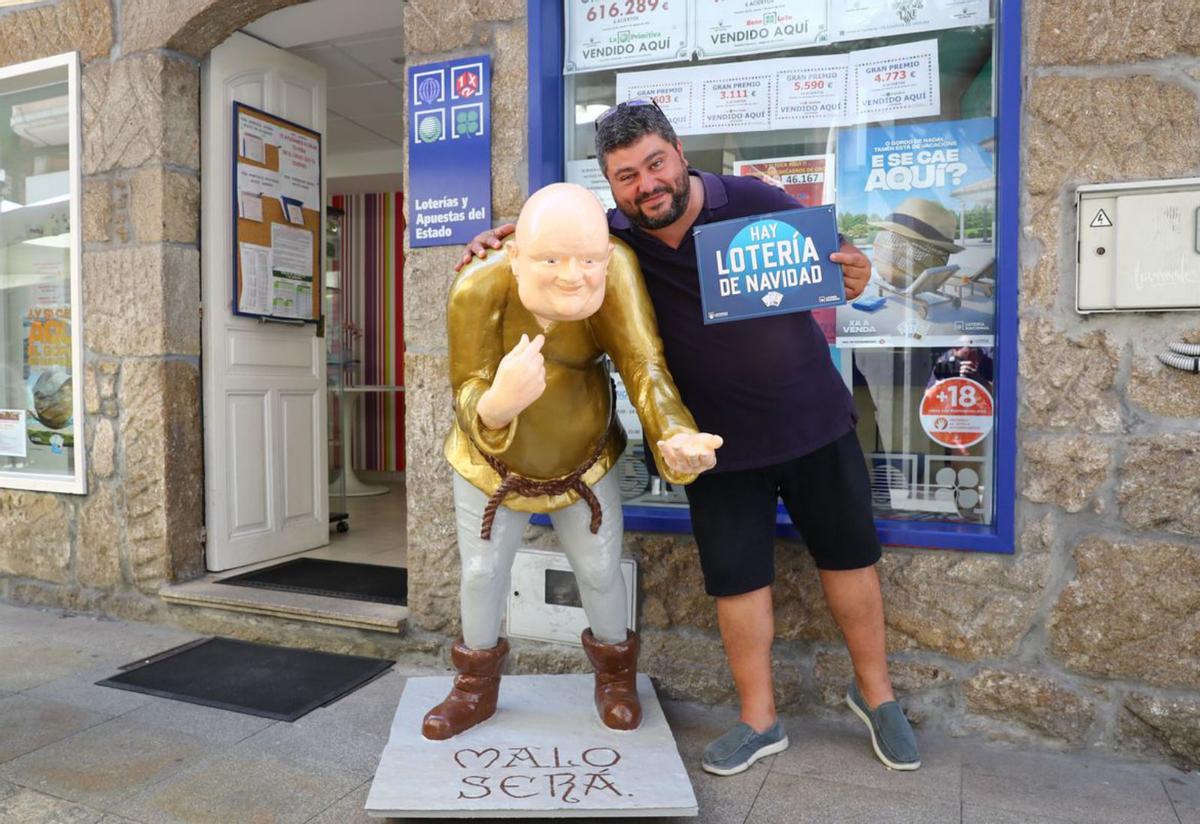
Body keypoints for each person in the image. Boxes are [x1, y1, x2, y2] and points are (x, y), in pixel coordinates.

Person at [456, 103, 921, 773]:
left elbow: (833, 261)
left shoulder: (755, 199)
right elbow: (557, 249)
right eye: (625, 177)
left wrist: (855, 272)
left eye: (654, 164)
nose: (646, 184)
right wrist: (497, 242)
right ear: (610, 187)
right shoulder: (614, 241)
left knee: (850, 561)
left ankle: (878, 698)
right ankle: (759, 720)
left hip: (813, 422)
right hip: (714, 443)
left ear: (678, 153)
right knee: (737, 582)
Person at [425, 182, 722, 741]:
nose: (572, 275)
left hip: (586, 461)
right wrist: (497, 404)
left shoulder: (616, 272)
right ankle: (474, 687)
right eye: (551, 260)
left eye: (588, 259)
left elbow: (643, 365)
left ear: (606, 255)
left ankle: (615, 679)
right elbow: (465, 386)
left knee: (600, 571)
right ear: (514, 256)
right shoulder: (476, 286)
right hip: (489, 464)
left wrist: (674, 431)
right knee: (482, 573)